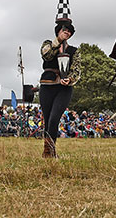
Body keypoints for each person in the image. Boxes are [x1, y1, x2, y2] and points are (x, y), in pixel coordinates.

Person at [39, 20, 82, 158]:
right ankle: (48, 152)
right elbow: (46, 55)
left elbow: (76, 70)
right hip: (47, 85)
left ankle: (51, 150)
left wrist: (70, 79)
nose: (66, 32)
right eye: (64, 30)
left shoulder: (74, 51)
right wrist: (58, 41)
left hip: (64, 88)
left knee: (54, 118)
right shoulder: (48, 44)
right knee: (47, 119)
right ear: (58, 31)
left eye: (69, 31)